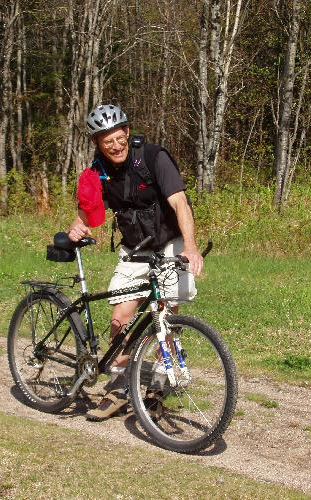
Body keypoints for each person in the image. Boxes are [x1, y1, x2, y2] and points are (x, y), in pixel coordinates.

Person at [68, 104, 203, 421]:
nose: (114, 145)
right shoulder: (98, 171)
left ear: (127, 133)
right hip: (134, 249)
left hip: (172, 245)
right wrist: (77, 224)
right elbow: (89, 209)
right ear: (97, 144)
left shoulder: (155, 158)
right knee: (119, 320)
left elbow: (180, 203)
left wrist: (192, 248)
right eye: (106, 141)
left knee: (167, 318)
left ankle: (157, 390)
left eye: (118, 138)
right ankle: (117, 390)